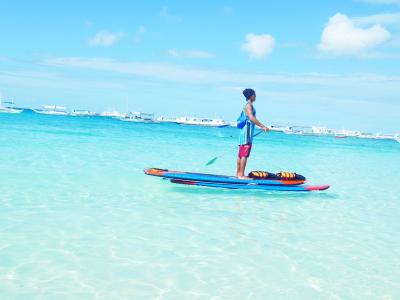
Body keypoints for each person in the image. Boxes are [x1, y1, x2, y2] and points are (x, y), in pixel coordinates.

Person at [237, 88, 269, 179]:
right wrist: (263, 126)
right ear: (251, 96)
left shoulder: (247, 105)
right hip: (247, 132)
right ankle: (241, 175)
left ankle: (238, 174)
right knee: (244, 154)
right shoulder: (249, 105)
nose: (256, 96)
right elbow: (251, 117)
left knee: (241, 154)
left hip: (244, 132)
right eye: (255, 95)